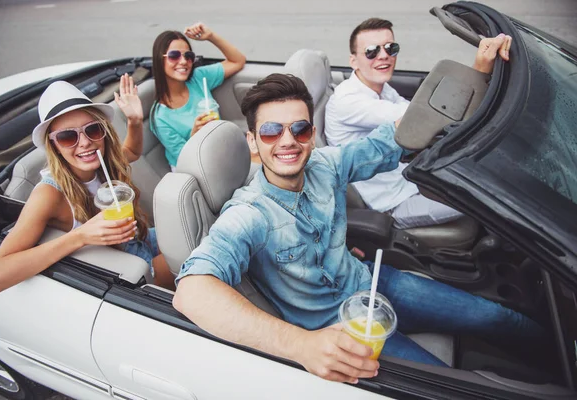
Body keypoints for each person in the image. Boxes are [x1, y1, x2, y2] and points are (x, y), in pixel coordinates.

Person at [172, 74, 545, 384]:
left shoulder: (326, 165)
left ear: (312, 134)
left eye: (299, 129)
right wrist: (301, 345)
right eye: (271, 131)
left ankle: (561, 357)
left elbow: (387, 142)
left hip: (376, 284)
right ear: (253, 140)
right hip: (340, 329)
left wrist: (472, 77)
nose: (288, 141)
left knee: (497, 317)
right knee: (448, 384)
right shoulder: (248, 213)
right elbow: (191, 293)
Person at [0, 76, 175, 293]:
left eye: (92, 130)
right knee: (191, 262)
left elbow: (131, 152)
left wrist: (134, 121)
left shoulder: (104, 164)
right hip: (127, 267)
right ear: (54, 145)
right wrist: (80, 236)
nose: (85, 142)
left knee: (191, 235)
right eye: (68, 136)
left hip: (139, 238)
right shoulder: (49, 194)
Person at [325, 18, 512, 229]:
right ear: (353, 61)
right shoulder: (348, 101)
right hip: (391, 202)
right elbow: (423, 115)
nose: (384, 55)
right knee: (489, 199)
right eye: (371, 51)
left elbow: (417, 107)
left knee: (489, 185)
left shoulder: (382, 88)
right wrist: (480, 68)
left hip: (409, 179)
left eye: (390, 47)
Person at [150, 23, 246, 171]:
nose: (183, 61)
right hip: (193, 167)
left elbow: (237, 61)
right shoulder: (160, 117)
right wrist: (194, 135)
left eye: (188, 56)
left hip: (218, 148)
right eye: (174, 55)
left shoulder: (198, 78)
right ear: (159, 59)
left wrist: (211, 37)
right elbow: (186, 159)